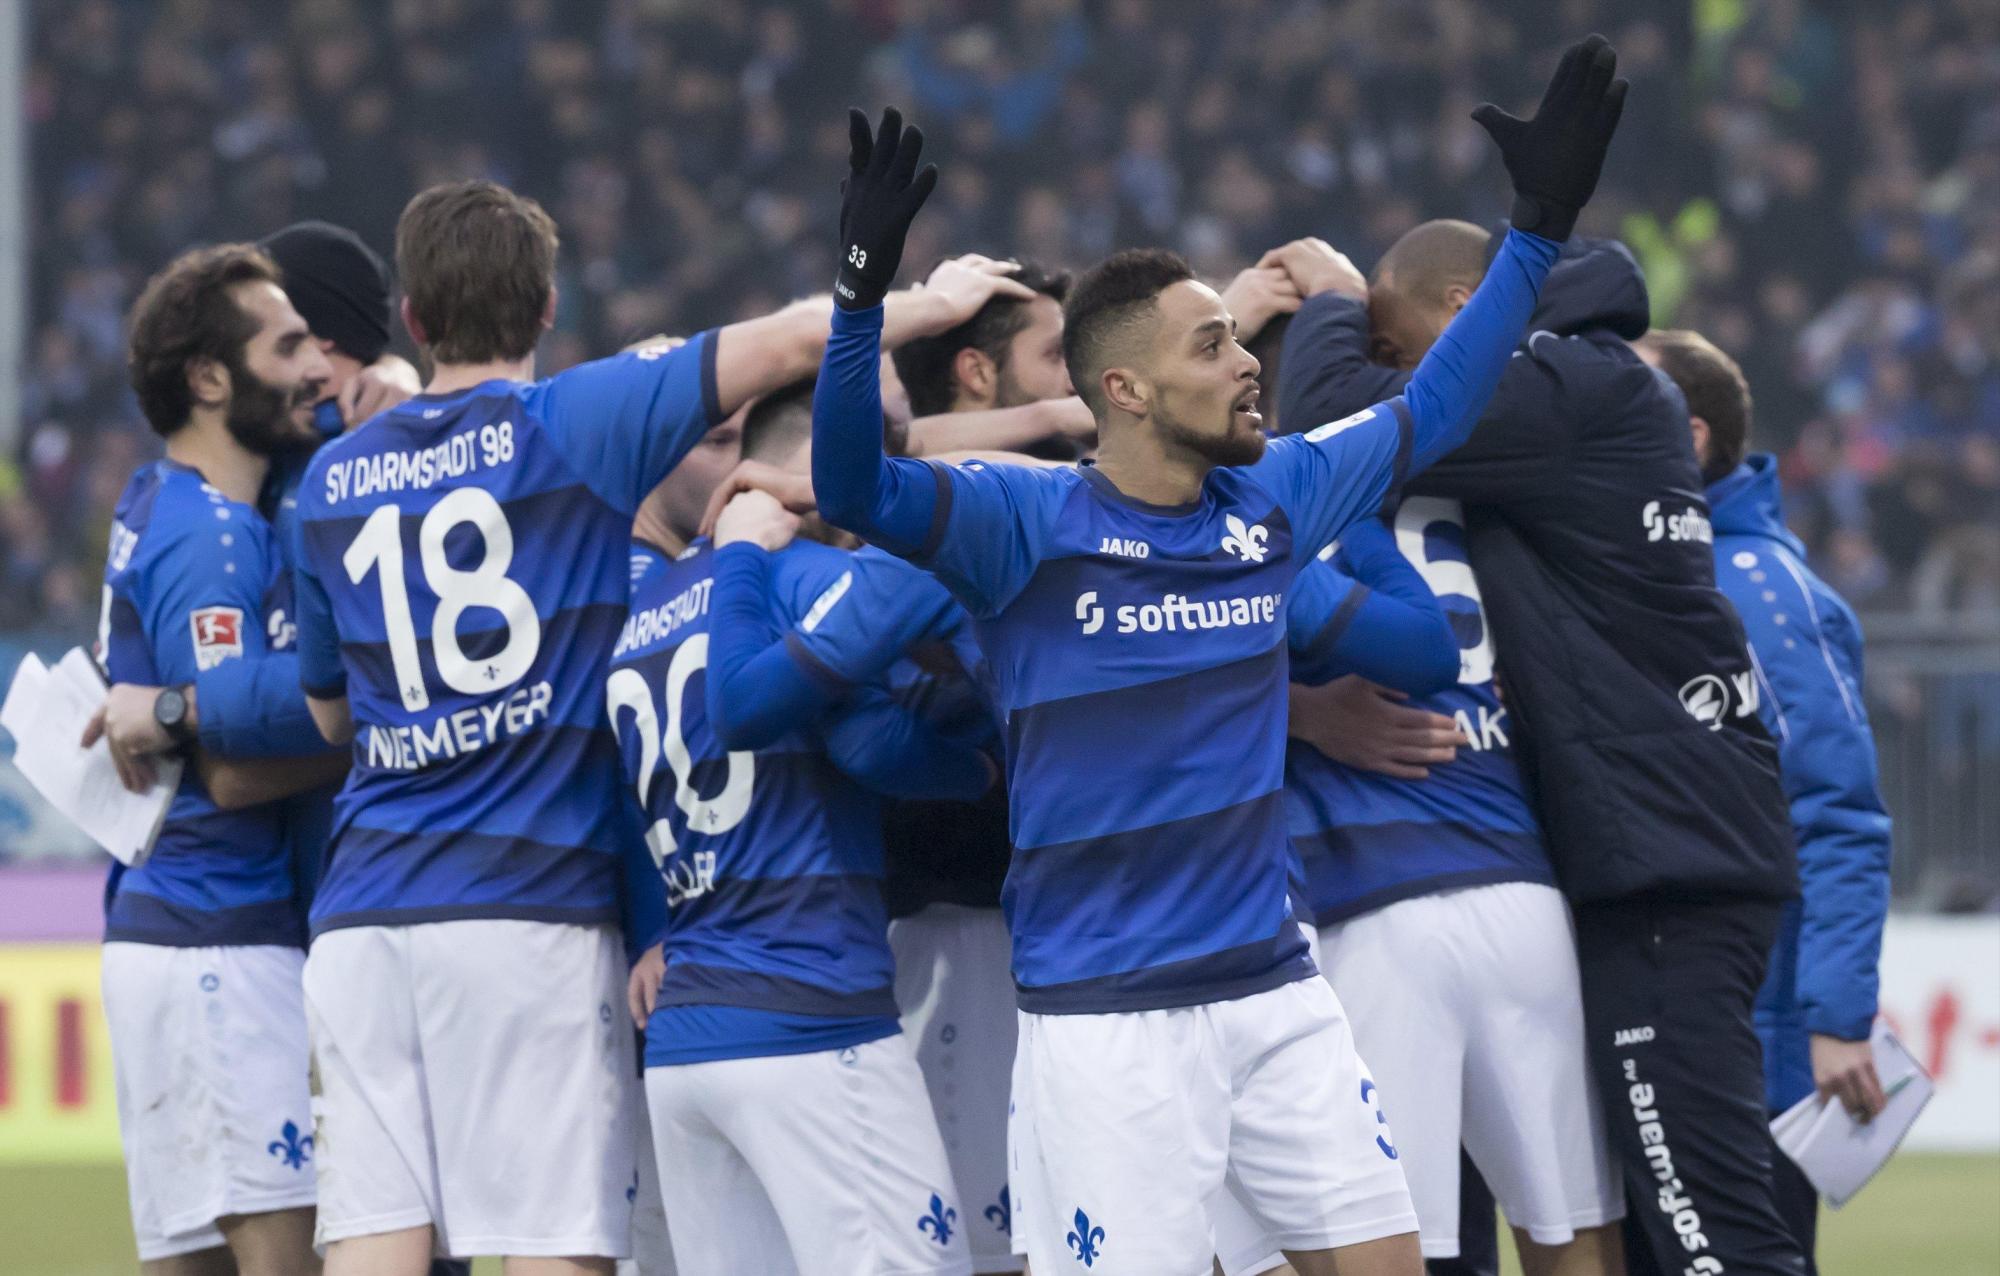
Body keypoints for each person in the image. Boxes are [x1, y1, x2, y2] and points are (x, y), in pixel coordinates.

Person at [809, 32, 1625, 1273]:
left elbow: (1439, 403)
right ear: (1123, 391)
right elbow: (853, 485)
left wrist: (1535, 225)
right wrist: (861, 297)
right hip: (1104, 1026)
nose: (1249, 360)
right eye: (1210, 346)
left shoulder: (1275, 503)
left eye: (1237, 341)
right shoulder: (1021, 524)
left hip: (1275, 993)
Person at [289, 181, 1034, 1275]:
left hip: (357, 912)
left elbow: (327, 711)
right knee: (553, 1241)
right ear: (548, 308)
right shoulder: (578, 418)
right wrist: (927, 299)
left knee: (374, 1237)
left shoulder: (329, 478)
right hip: (518, 904)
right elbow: (787, 338)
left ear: (410, 319)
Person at [1278, 219, 1806, 1274]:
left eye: (1400, 340)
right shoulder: (1577, 391)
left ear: (1474, 306)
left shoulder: (1560, 388)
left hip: (1659, 867)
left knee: (1703, 1229)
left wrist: (1330, 306)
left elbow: (1335, 415)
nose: (1402, 370)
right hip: (1624, 862)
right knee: (1638, 1223)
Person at [614, 421, 993, 1272]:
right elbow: (871, 745)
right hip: (809, 1022)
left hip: (684, 1044)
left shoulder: (643, 613)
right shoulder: (816, 576)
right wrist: (977, 772)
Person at [96, 243, 342, 1276]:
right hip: (219, 942)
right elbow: (236, 772)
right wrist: (403, 733)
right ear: (210, 379)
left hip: (169, 932)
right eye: (288, 346)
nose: (318, 370)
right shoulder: (216, 539)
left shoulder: (159, 498)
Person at [1638, 329, 1894, 1274]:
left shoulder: (1759, 587)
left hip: (1762, 1041)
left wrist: (1833, 1021)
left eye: (1634, 400)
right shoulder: (1665, 571)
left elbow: (1839, 815)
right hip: (1684, 1022)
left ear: (1693, 439)